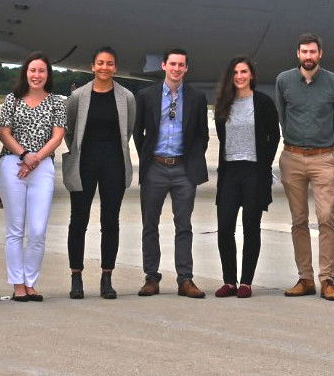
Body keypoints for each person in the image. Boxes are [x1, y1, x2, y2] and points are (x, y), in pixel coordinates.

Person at [133, 47, 212, 297]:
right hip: (155, 167)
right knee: (150, 224)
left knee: (184, 225)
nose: (177, 69)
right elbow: (138, 133)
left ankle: (185, 279)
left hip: (183, 170)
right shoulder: (146, 96)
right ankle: (151, 277)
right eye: (173, 64)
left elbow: (202, 135)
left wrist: (192, 160)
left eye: (181, 65)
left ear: (186, 68)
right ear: (164, 66)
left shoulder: (197, 98)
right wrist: (148, 157)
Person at [275, 33, 334, 300]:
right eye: (304, 52)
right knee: (299, 221)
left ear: (320, 54)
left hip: (322, 158)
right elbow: (282, 115)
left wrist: (327, 142)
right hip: (292, 157)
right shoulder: (284, 81)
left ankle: (327, 278)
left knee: (326, 218)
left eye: (312, 52)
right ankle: (305, 278)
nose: (308, 56)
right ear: (298, 54)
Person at [63, 46, 137, 299]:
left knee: (110, 222)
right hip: (84, 163)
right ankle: (76, 277)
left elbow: (127, 131)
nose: (104, 68)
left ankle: (107, 277)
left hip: (114, 164)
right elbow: (71, 133)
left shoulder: (126, 97)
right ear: (92, 66)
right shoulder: (78, 97)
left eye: (109, 64)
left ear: (115, 67)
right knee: (78, 221)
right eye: (100, 63)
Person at [0, 52, 67, 301]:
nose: (36, 75)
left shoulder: (57, 102)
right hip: (12, 165)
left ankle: (31, 282)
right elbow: (4, 133)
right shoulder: (12, 100)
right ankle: (17, 284)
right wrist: (25, 154)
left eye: (41, 71)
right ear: (25, 73)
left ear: (48, 75)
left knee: (37, 230)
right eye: (32, 70)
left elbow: (57, 136)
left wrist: (36, 158)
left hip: (43, 166)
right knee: (15, 228)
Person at [212, 56, 279, 297]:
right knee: (225, 227)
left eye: (244, 72)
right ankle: (229, 281)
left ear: (251, 75)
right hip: (230, 171)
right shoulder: (223, 104)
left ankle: (246, 282)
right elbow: (222, 136)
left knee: (251, 227)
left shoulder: (262, 102)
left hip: (254, 172)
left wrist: (265, 165)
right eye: (235, 72)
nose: (239, 76)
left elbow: (274, 135)